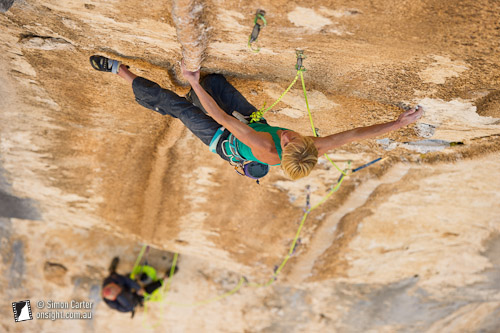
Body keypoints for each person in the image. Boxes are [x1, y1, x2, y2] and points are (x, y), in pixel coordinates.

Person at [90, 55, 423, 180]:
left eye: (288, 141)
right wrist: (397, 124)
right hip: (250, 123)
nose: (289, 136)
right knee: (214, 83)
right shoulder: (312, 148)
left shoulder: (265, 146)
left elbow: (218, 117)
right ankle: (190, 91)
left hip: (225, 138)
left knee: (178, 106)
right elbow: (353, 135)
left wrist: (191, 81)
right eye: (294, 137)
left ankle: (121, 73)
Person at [101, 257, 175, 316]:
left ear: (111, 284)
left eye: (116, 286)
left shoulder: (109, 281)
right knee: (146, 291)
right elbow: (130, 305)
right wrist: (140, 292)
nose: (118, 287)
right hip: (132, 300)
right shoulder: (124, 303)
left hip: (125, 289)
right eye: (118, 289)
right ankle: (165, 278)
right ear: (115, 297)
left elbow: (126, 280)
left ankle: (112, 270)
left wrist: (138, 288)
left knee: (117, 276)